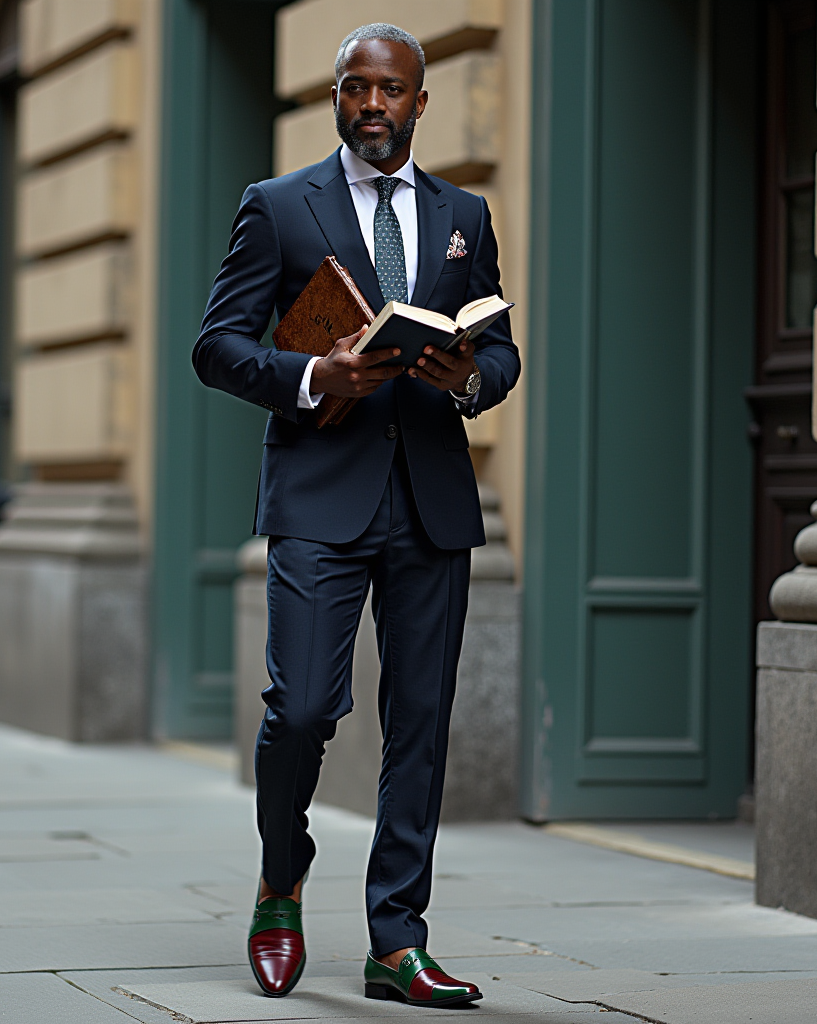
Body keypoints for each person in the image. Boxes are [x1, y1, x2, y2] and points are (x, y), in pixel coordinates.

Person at [193, 22, 520, 1008]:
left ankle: (395, 941)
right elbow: (216, 345)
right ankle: (280, 873)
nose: (372, 105)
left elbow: (499, 350)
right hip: (317, 496)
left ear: (421, 103)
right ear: (335, 98)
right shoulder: (280, 206)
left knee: (418, 724)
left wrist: (471, 377)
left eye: (390, 90)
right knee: (299, 710)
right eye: (355, 88)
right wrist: (309, 374)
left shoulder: (464, 212)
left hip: (429, 500)